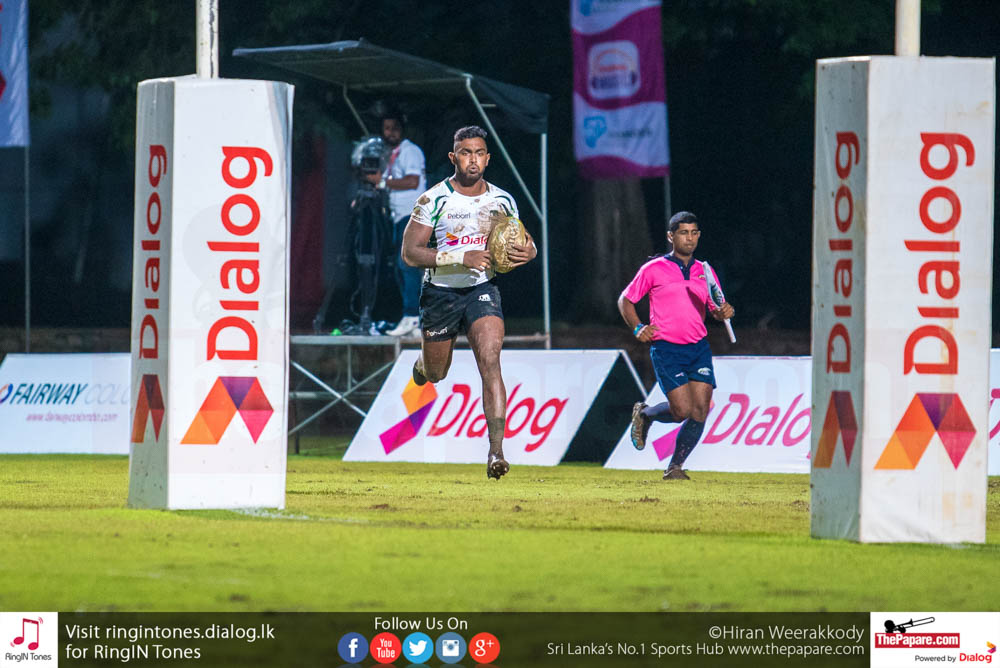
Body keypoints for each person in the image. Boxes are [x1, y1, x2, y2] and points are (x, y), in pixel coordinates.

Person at [400, 125, 537, 480]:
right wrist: (461, 257)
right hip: (440, 293)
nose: (472, 160)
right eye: (465, 153)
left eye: (478, 153)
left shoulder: (502, 200)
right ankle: (422, 365)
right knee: (437, 373)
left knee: (490, 361)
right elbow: (410, 253)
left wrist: (530, 250)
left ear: (487, 159)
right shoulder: (433, 199)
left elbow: (519, 238)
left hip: (482, 289)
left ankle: (496, 452)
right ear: (453, 157)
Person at [617, 211, 735, 481]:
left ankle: (675, 467)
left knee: (700, 410)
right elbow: (626, 300)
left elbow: (716, 307)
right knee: (682, 411)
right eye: (683, 233)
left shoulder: (705, 271)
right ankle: (646, 414)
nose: (689, 238)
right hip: (667, 348)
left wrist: (725, 312)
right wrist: (638, 327)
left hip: (698, 348)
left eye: (694, 233)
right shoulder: (654, 268)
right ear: (671, 236)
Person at [364, 108, 427, 337]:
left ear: (402, 129)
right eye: (387, 129)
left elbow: (412, 181)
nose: (390, 133)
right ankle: (415, 319)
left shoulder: (410, 152)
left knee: (407, 264)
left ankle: (412, 316)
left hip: (412, 215)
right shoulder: (392, 155)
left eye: (394, 128)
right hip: (399, 215)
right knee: (402, 268)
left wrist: (382, 181)